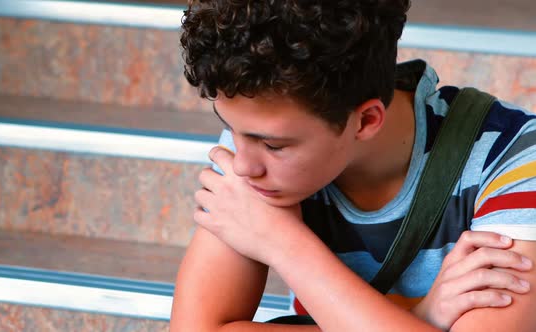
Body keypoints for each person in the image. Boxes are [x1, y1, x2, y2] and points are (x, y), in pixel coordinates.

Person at [170, 0, 536, 331]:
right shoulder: (254, 148)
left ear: (365, 121)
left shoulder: (514, 156)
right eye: (229, 128)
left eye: (273, 144)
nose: (243, 167)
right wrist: (417, 320)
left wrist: (284, 243)